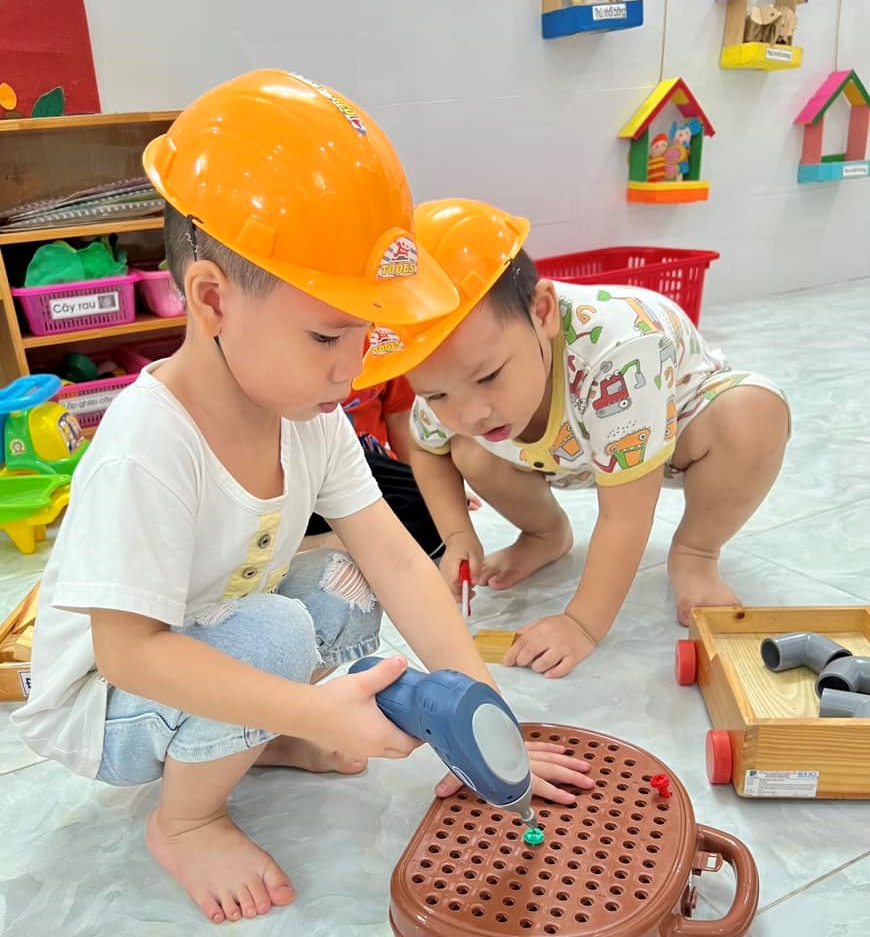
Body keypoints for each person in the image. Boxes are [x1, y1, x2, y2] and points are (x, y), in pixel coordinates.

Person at [11, 78, 592, 924]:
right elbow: (130, 653)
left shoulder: (308, 417)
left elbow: (397, 562)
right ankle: (187, 819)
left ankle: (262, 734)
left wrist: (483, 710)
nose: (351, 369)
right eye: (326, 335)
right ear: (211, 299)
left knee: (347, 580)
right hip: (105, 706)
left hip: (211, 635)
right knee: (280, 632)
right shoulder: (148, 442)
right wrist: (315, 706)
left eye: (364, 333)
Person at [355, 198, 790, 679]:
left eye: (489, 376)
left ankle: (695, 554)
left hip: (675, 428)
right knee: (465, 448)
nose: (471, 411)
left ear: (542, 312)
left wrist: (581, 624)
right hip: (565, 449)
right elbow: (427, 446)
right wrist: (457, 534)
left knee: (754, 415)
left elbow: (625, 513)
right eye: (437, 394)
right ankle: (545, 534)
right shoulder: (453, 377)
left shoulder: (620, 352)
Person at [303, 375, 480, 557]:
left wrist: (427, 486)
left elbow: (399, 417)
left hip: (368, 467)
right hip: (310, 468)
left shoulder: (387, 358)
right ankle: (311, 544)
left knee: (432, 515)